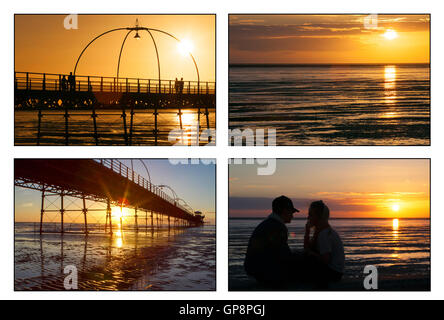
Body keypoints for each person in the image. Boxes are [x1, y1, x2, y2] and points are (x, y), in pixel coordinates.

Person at [244, 195, 300, 285]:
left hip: (253, 268)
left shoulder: (267, 223)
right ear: (285, 211)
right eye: (291, 212)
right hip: (265, 271)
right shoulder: (278, 227)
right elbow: (283, 255)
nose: (292, 216)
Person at [303, 200, 345, 284]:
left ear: (319, 217)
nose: (308, 217)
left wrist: (310, 253)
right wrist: (307, 232)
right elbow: (308, 248)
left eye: (310, 215)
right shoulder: (323, 231)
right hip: (336, 272)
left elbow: (325, 260)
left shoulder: (324, 234)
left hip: (333, 273)